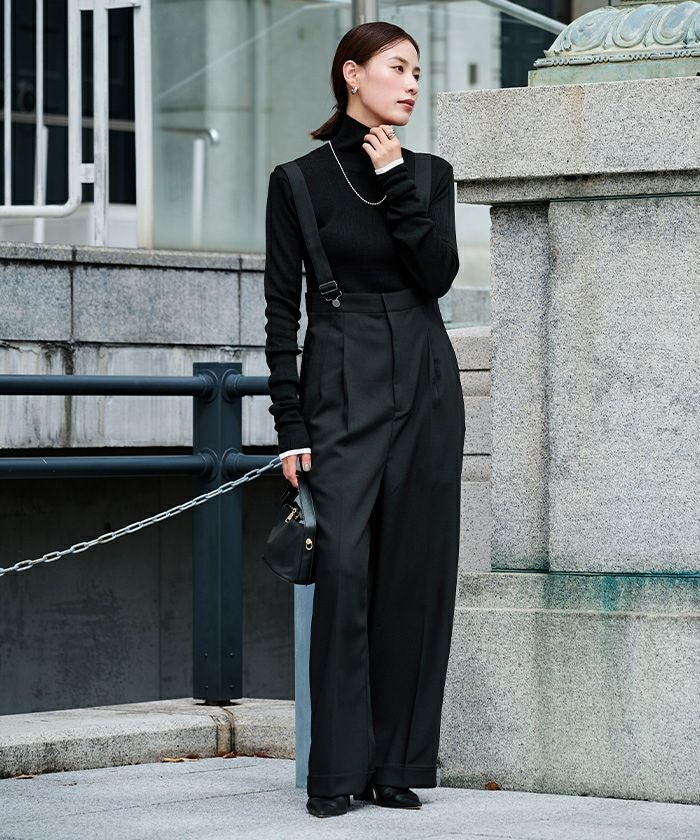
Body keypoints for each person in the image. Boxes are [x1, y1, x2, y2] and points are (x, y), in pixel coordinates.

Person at [263, 21, 465, 819]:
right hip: (340, 374)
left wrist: (397, 180)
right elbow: (282, 311)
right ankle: (336, 772)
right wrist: (289, 425)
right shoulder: (298, 181)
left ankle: (396, 765)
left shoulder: (429, 174)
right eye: (397, 68)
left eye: (417, 71)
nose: (412, 83)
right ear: (352, 74)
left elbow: (438, 275)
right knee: (344, 566)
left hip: (425, 371)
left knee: (416, 571)